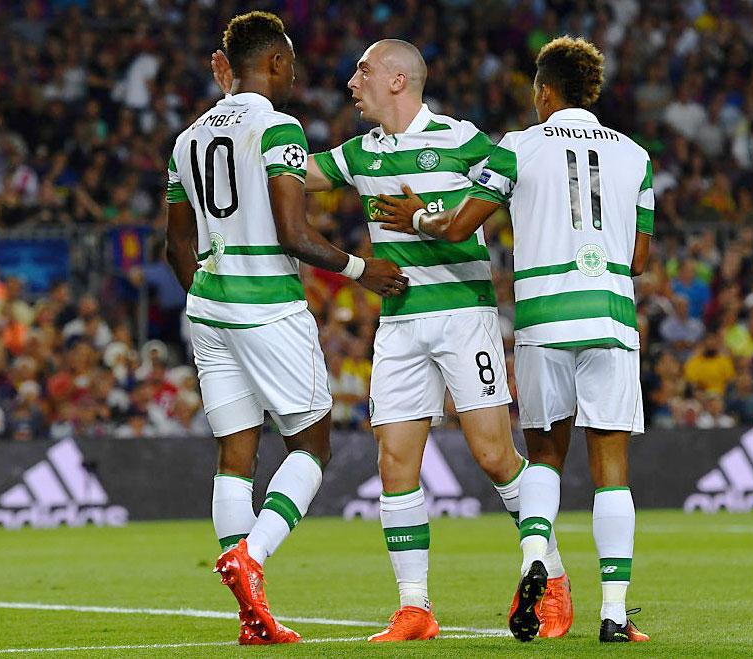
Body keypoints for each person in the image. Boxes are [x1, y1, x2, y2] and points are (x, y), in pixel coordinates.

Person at [213, 39, 573, 642]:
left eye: (363, 71)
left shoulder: (462, 140)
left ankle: (552, 575)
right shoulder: (360, 154)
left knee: (493, 454)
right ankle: (415, 607)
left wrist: (432, 211)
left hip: (464, 316)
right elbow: (285, 168)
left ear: (399, 81)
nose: (351, 81)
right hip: (400, 323)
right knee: (395, 462)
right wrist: (237, 110)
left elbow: (512, 184)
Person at [375, 36, 651, 643]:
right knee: (611, 471)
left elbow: (458, 227)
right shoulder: (636, 155)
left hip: (544, 320)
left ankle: (534, 561)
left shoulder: (517, 149)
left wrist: (418, 216)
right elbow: (639, 256)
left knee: (546, 456)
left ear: (544, 92)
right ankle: (613, 614)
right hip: (609, 315)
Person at [165, 11, 406, 646]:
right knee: (312, 444)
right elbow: (292, 235)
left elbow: (174, 246)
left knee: (235, 454)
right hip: (267, 306)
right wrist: (361, 268)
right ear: (272, 63)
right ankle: (253, 557)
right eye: (291, 63)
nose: (296, 74)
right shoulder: (279, 128)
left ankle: (250, 612)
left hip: (209, 309)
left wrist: (211, 296)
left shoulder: (188, 138)